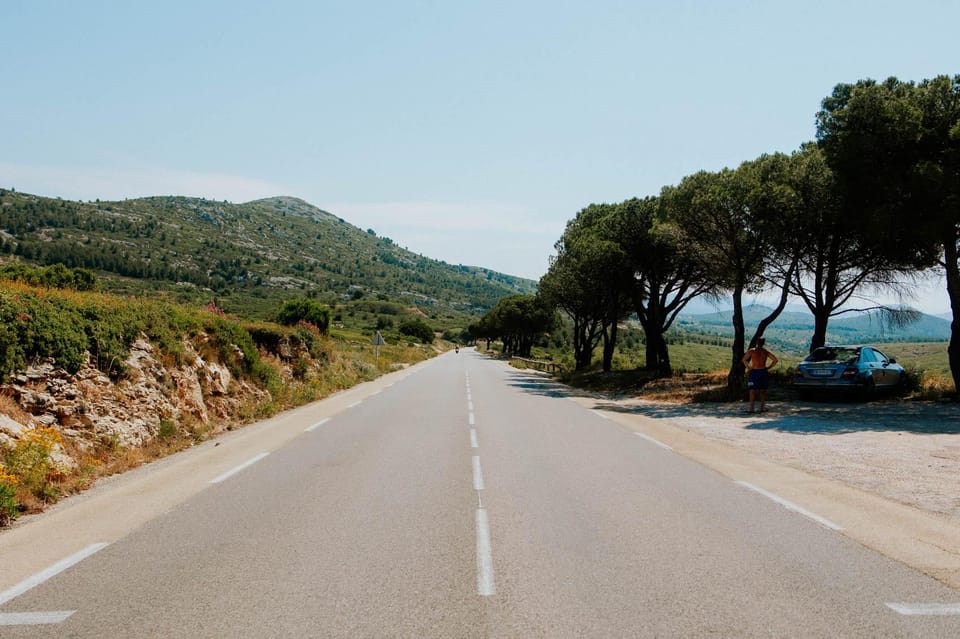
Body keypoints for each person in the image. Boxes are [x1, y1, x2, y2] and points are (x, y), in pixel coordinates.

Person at [741, 337, 778, 413]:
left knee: (752, 390)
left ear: (757, 342)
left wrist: (748, 367)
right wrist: (768, 367)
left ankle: (751, 408)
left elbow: (744, 359)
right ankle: (762, 407)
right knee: (762, 390)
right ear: (763, 343)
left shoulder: (752, 351)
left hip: (754, 371)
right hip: (763, 371)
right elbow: (775, 360)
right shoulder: (765, 352)